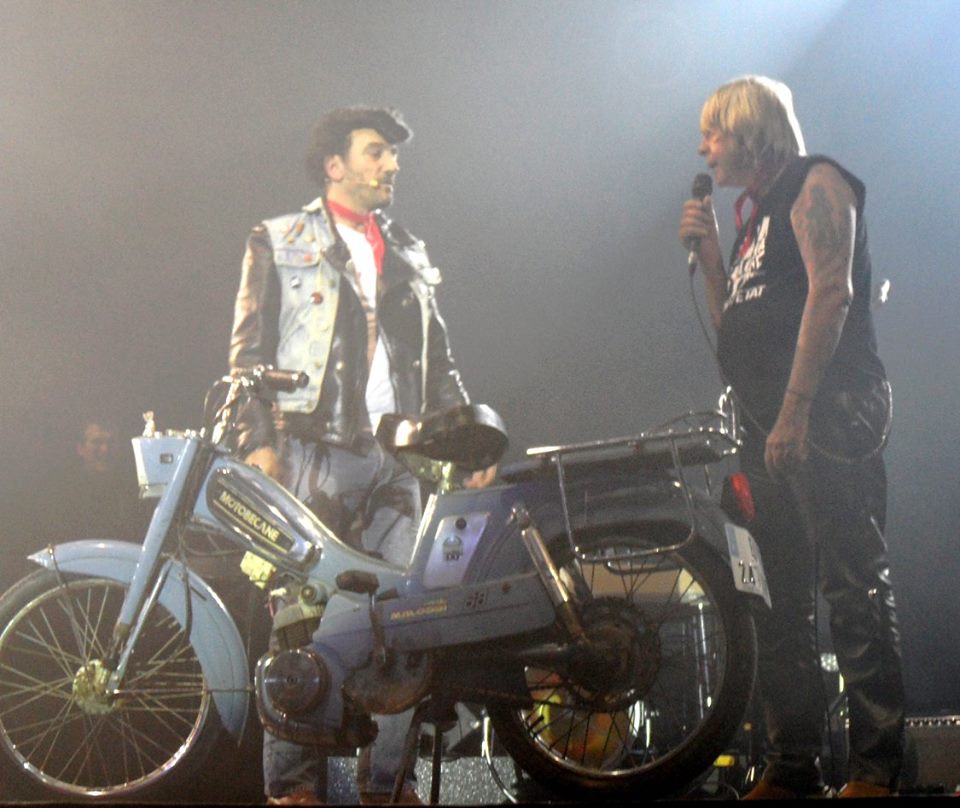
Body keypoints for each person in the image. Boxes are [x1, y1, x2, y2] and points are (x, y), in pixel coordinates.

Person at [229, 106, 494, 806]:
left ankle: (386, 783)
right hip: (312, 452)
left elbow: (439, 362)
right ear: (334, 164)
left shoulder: (407, 249)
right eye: (376, 151)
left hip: (398, 458)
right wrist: (259, 444)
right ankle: (294, 788)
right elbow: (248, 355)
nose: (391, 165)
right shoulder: (279, 239)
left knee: (403, 623)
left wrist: (468, 442)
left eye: (393, 154)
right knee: (301, 621)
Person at [678, 76, 904, 799]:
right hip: (770, 429)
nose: (704, 147)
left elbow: (832, 293)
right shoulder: (753, 222)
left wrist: (797, 410)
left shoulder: (816, 185)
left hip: (827, 417)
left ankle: (876, 770)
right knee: (778, 604)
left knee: (852, 586)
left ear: (751, 130)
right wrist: (715, 258)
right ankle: (795, 765)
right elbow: (735, 331)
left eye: (713, 131)